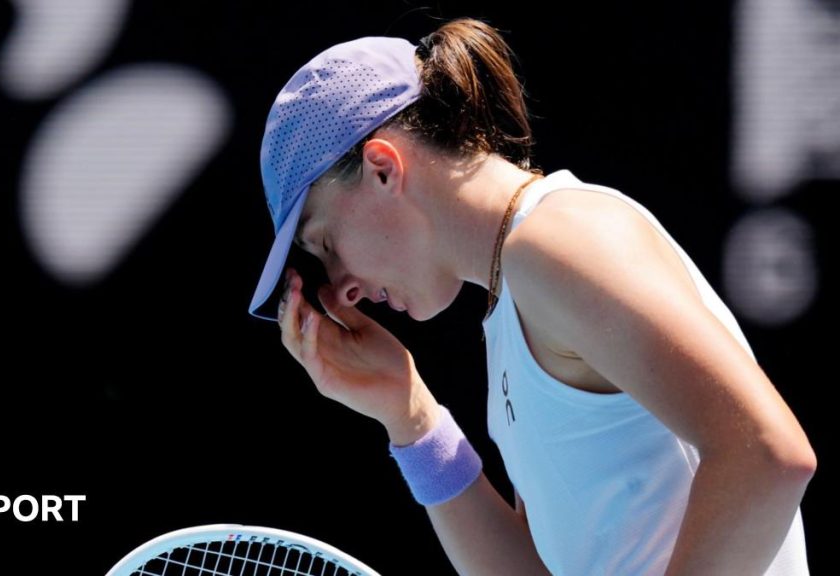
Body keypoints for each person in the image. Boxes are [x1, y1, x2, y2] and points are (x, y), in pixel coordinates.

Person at [247, 17, 815, 576]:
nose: (342, 289)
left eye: (326, 243)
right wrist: (411, 416)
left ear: (381, 169)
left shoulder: (552, 245)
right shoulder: (515, 298)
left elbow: (767, 457)